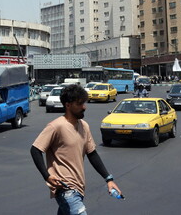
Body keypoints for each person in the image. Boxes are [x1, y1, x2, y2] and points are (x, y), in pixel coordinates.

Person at [31, 84, 123, 214]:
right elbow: (35, 150)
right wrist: (47, 176)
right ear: (68, 105)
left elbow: (92, 154)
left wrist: (109, 179)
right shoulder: (56, 126)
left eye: (84, 103)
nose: (84, 107)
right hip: (66, 189)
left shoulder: (84, 126)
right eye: (79, 104)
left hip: (79, 188)